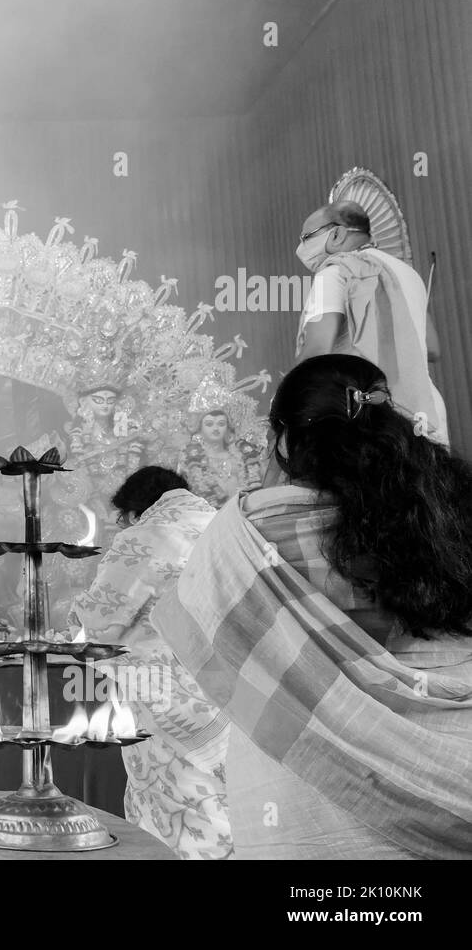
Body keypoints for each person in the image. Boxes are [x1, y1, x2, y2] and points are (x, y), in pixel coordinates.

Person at [154, 354, 472, 859]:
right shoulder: (448, 515)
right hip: (451, 776)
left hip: (301, 783)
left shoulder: (245, 531)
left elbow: (207, 639)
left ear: (282, 439)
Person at [70, 466, 231, 859]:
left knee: (173, 797)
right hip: (232, 690)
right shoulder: (226, 530)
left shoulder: (144, 536)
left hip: (165, 692)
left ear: (133, 510)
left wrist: (76, 615)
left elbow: (101, 621)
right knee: (226, 798)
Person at [294, 199, 448, 445]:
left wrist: (287, 402)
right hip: (424, 409)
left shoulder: (336, 272)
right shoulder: (408, 274)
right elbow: (433, 349)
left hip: (367, 412)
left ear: (337, 234)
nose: (301, 248)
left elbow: (317, 350)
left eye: (307, 237)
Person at [179, 409, 263, 508]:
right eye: (209, 424)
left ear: (228, 428)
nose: (215, 428)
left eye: (221, 424)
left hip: (241, 511)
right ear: (200, 429)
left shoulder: (242, 456)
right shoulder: (189, 459)